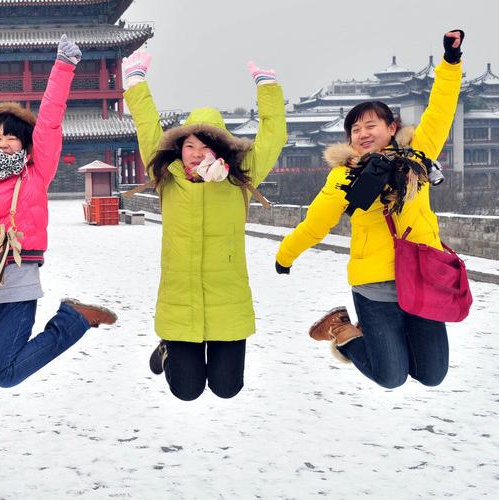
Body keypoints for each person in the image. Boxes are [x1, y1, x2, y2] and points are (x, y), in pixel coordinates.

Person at [276, 30, 466, 389]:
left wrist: (450, 63)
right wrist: (286, 255)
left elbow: (441, 110)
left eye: (371, 125)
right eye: (354, 129)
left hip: (423, 277)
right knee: (391, 377)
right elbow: (316, 223)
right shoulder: (343, 175)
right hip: (375, 285)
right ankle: (344, 332)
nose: (362, 133)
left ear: (392, 128)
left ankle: (387, 342)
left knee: (431, 375)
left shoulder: (418, 155)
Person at [0, 35, 118, 390]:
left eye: (12, 138)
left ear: (24, 143)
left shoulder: (34, 173)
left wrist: (63, 67)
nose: (3, 144)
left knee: (5, 374)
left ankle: (73, 319)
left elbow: (49, 122)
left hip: (18, 277)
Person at [122, 48, 287, 400]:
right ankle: (168, 349)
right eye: (190, 145)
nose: (197, 153)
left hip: (227, 299)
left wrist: (267, 87)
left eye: (207, 146)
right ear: (179, 148)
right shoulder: (167, 177)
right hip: (180, 300)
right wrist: (136, 82)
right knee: (186, 390)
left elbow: (273, 139)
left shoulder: (240, 178)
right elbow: (147, 128)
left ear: (221, 150)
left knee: (228, 388)